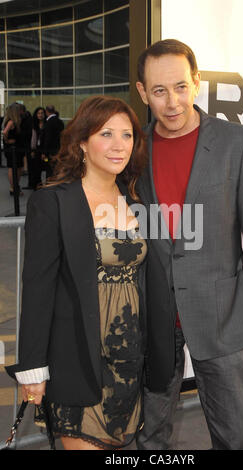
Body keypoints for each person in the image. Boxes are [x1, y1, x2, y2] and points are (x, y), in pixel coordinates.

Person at [135, 39, 243, 450]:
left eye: (181, 86)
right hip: (154, 321)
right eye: (159, 91)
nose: (172, 101)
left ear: (196, 83)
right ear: (144, 93)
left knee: (237, 436)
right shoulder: (133, 150)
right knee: (150, 437)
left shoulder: (239, 143)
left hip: (224, 319)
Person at [6, 96, 148, 450]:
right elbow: (38, 290)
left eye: (128, 135)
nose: (119, 145)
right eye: (107, 134)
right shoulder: (53, 201)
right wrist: (33, 369)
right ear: (82, 141)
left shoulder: (137, 200)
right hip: (76, 358)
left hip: (129, 361)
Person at [2, 103, 24, 196]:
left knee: (19, 167)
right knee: (13, 167)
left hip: (16, 148)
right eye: (18, 110)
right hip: (12, 149)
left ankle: (15, 186)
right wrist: (7, 141)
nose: (20, 111)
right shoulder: (11, 122)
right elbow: (4, 132)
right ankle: (13, 187)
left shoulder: (16, 121)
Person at [42, 105, 64, 179]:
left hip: (50, 150)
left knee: (49, 168)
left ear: (46, 112)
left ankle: (50, 183)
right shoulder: (60, 121)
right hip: (58, 148)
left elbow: (47, 138)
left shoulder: (48, 123)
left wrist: (44, 152)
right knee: (56, 167)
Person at [30, 107, 46, 190]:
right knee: (36, 168)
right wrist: (32, 150)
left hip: (44, 149)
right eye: (38, 113)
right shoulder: (34, 124)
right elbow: (33, 138)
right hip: (35, 149)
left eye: (42, 113)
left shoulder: (46, 124)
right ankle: (37, 185)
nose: (40, 115)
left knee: (43, 168)